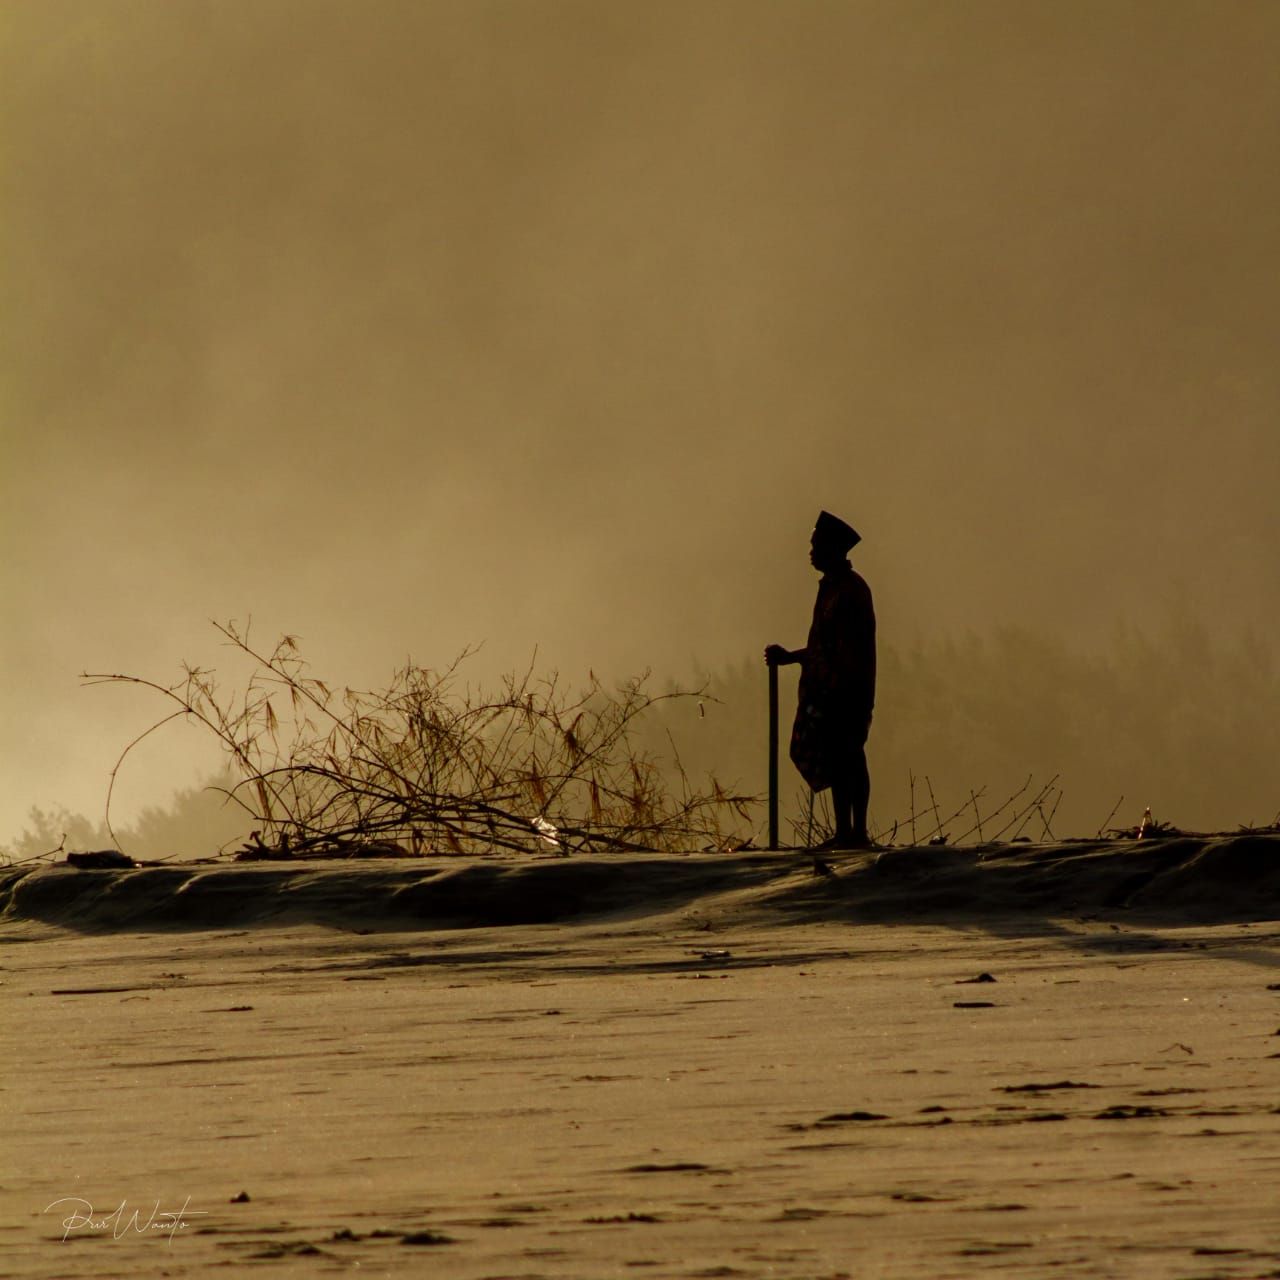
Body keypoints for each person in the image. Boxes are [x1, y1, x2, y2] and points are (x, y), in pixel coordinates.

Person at [765, 510, 876, 849]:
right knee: (838, 759)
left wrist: (832, 684)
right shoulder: (830, 589)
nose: (811, 551)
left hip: (846, 691)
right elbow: (820, 647)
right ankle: (845, 831)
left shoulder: (850, 592)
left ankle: (855, 833)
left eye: (816, 545)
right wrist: (792, 658)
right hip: (830, 689)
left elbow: (842, 650)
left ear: (833, 549)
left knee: (850, 758)